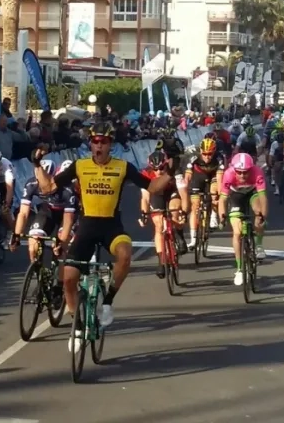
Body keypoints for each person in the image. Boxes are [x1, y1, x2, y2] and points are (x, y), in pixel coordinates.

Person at [34, 122, 171, 340]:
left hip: (111, 227)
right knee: (69, 278)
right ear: (90, 143)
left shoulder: (123, 167)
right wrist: (37, 165)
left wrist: (171, 170)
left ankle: (108, 300)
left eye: (103, 141)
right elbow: (48, 188)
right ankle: (77, 325)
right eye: (95, 141)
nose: (98, 145)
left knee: (125, 256)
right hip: (87, 227)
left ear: (110, 145)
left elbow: (153, 187)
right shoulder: (80, 166)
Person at [10, 159, 77, 273]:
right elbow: (23, 213)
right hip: (48, 210)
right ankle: (37, 273)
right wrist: (16, 235)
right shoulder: (32, 184)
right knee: (33, 244)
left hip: (67, 214)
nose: (41, 184)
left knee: (61, 248)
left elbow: (69, 218)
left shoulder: (66, 189)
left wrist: (61, 241)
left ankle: (59, 284)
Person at [218, 153, 268, 286]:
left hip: (252, 193)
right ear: (234, 170)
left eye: (245, 172)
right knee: (237, 232)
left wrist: (263, 215)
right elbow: (222, 199)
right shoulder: (228, 174)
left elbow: (263, 197)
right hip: (236, 196)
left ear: (251, 169)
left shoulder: (257, 172)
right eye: (239, 172)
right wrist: (222, 216)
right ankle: (239, 269)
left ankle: (258, 245)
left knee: (258, 212)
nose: (242, 175)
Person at [140, 150, 188, 278]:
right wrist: (144, 214)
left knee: (174, 210)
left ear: (166, 165)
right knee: (158, 225)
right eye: (154, 169)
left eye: (161, 168)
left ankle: (179, 234)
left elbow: (183, 194)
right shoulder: (145, 174)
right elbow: (145, 198)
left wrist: (184, 211)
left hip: (172, 192)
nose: (158, 172)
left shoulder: (175, 171)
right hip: (157, 195)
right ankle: (161, 261)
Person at [185, 137, 225, 247]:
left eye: (210, 154)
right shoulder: (193, 156)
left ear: (214, 152)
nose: (207, 156)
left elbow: (220, 179)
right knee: (195, 207)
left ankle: (213, 216)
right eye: (205, 154)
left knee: (214, 191)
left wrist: (220, 195)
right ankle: (193, 239)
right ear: (201, 151)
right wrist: (184, 193)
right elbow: (187, 176)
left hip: (213, 176)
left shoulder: (219, 158)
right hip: (198, 177)